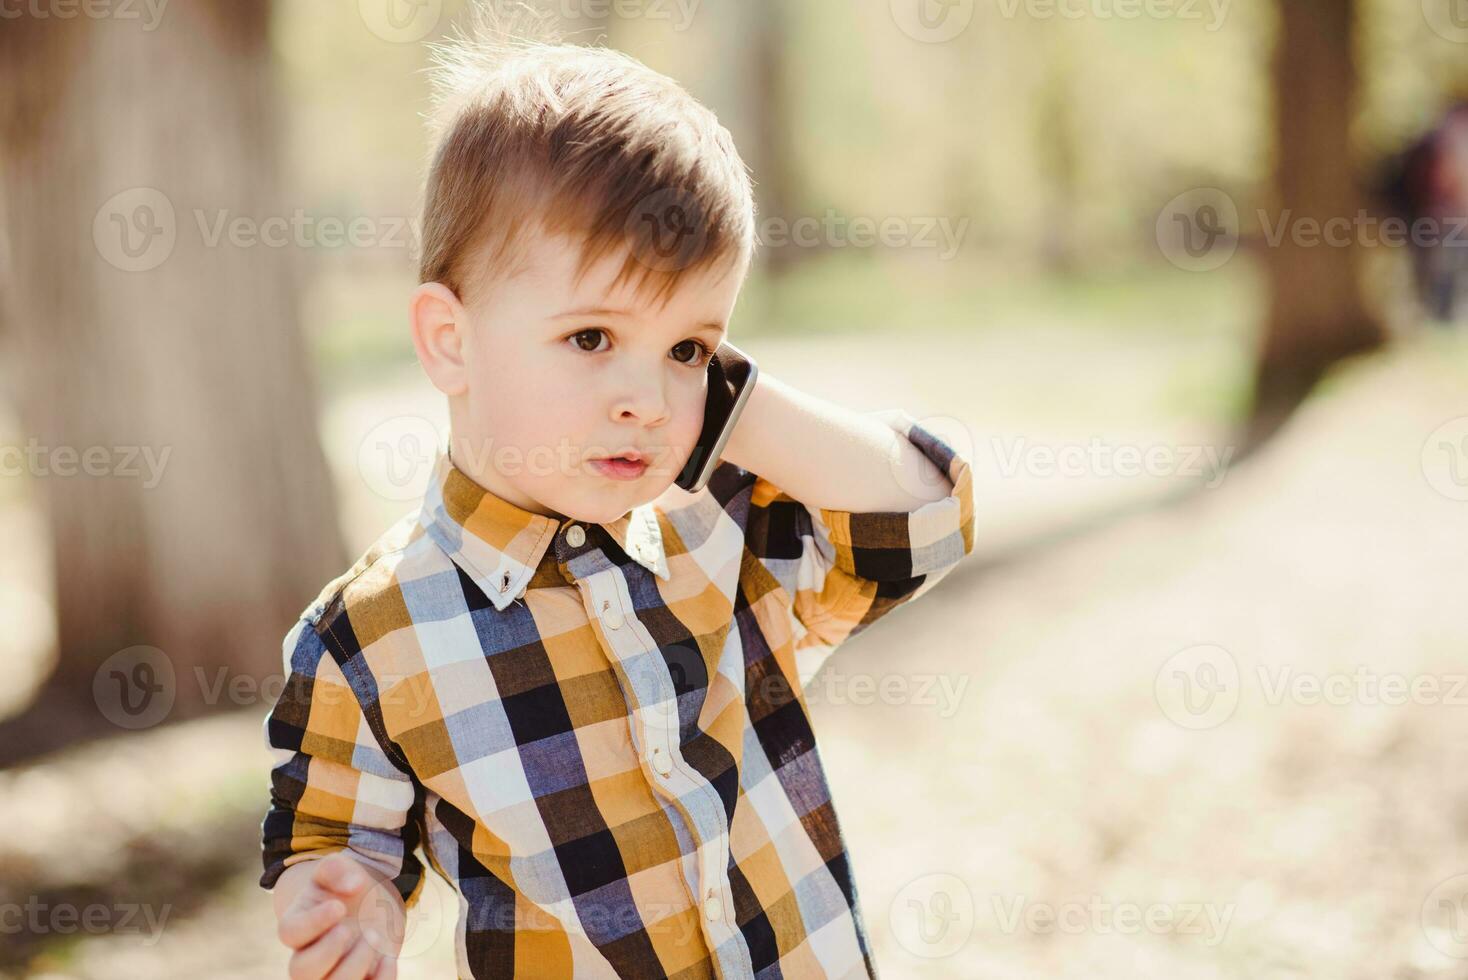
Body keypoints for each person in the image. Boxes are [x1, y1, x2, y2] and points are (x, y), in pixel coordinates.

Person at [257, 6, 975, 978]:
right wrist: (356, 905)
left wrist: (736, 407)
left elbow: (920, 522)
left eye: (686, 346)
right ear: (449, 340)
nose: (645, 397)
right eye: (592, 336)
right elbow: (342, 840)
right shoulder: (370, 637)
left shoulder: (725, 523)